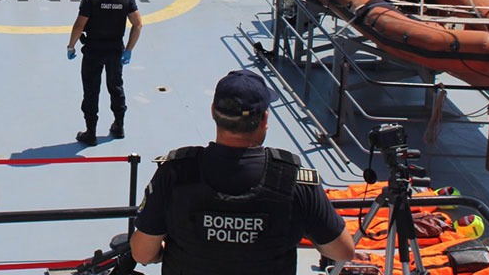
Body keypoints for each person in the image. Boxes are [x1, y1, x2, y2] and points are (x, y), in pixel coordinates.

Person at [129, 70, 355, 273]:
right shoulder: (294, 180)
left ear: (213, 112)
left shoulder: (175, 172)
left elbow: (142, 254)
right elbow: (342, 251)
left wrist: (163, 253)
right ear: (264, 119)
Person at [66, 0, 141, 145]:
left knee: (91, 91)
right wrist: (129, 49)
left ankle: (90, 133)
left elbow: (79, 25)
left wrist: (71, 46)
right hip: (115, 51)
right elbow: (137, 24)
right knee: (116, 88)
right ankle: (119, 126)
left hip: (93, 51)